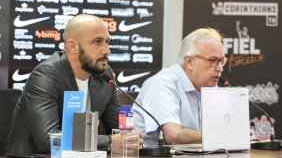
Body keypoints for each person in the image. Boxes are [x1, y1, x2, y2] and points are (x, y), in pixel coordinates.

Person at [5, 14, 143, 154]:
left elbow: (118, 127)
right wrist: (108, 142)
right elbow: (49, 140)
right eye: (97, 42)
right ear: (72, 46)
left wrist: (130, 139)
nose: (106, 50)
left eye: (107, 42)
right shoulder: (46, 75)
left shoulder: (104, 75)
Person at [132, 27, 227, 147]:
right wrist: (221, 136)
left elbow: (223, 129)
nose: (220, 68)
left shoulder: (211, 88)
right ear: (189, 62)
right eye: (213, 60)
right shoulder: (161, 84)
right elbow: (174, 136)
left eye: (221, 61)